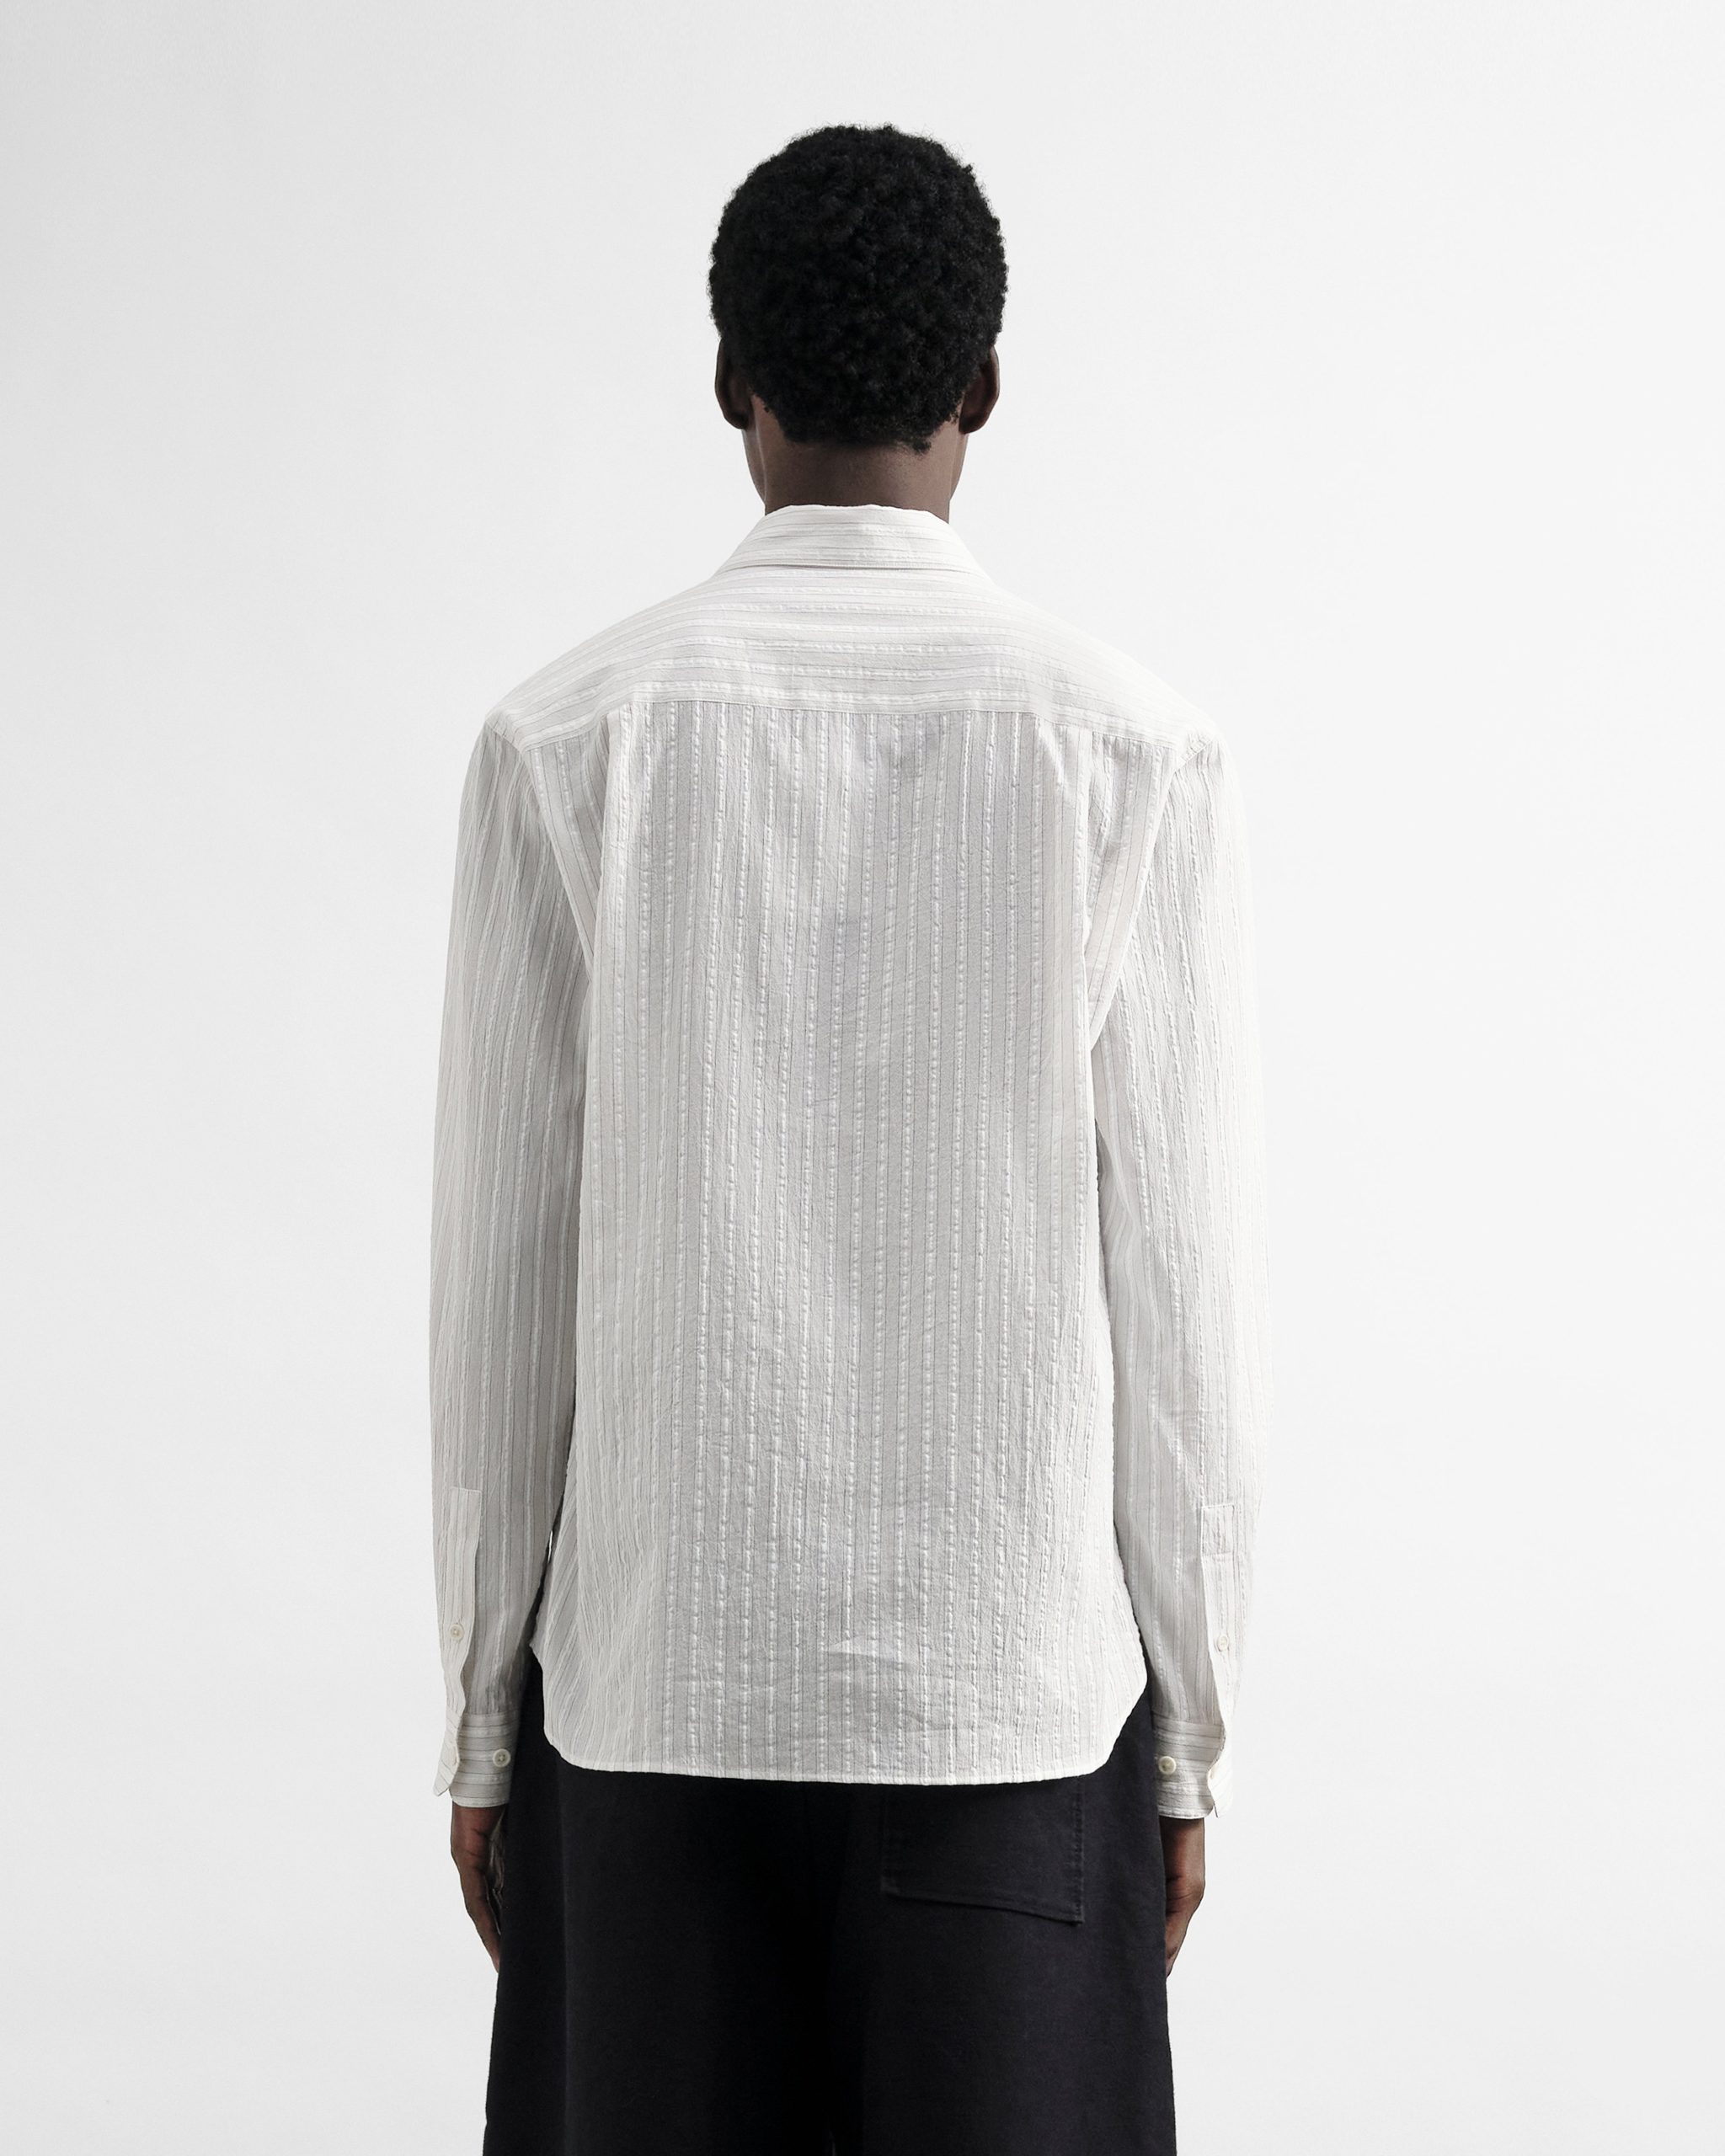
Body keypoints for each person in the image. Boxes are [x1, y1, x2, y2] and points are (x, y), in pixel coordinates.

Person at [428, 121, 1270, 2155]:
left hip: (649, 1699)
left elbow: (500, 1280)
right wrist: (1189, 1733)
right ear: (983, 385)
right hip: (1009, 1710)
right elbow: (1179, 1288)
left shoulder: (568, 738)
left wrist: (478, 1717)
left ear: (732, 381)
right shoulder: (1131, 750)